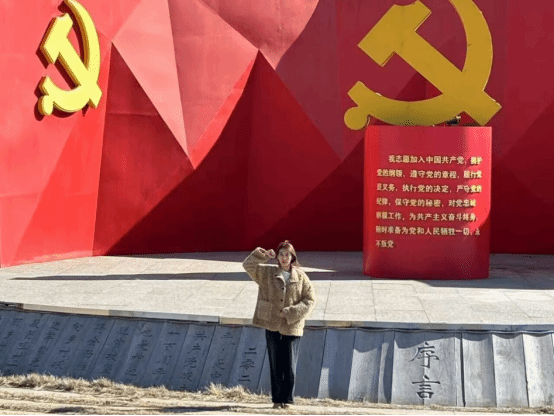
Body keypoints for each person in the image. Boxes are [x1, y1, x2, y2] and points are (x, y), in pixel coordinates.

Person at [243, 241, 316, 409]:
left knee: (289, 366)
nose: (284, 258)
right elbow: (248, 265)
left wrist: (291, 312)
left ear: (292, 257)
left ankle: (288, 400)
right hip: (272, 324)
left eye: (287, 255)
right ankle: (277, 400)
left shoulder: (301, 277)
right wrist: (261, 254)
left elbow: (310, 300)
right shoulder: (268, 273)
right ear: (277, 256)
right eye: (281, 254)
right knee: (275, 364)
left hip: (292, 326)